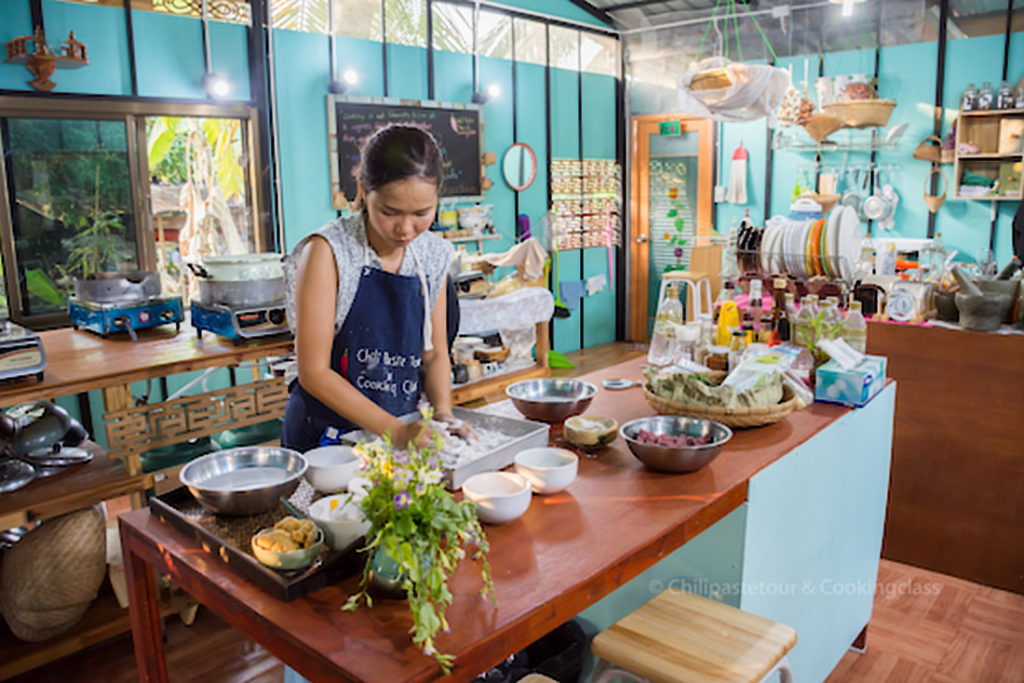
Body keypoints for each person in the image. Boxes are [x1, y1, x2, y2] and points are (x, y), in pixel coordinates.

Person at [281, 124, 458, 452]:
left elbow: (433, 353)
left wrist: (444, 416)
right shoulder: (328, 252)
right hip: (327, 437)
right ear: (363, 190)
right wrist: (399, 433)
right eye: (389, 213)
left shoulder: (433, 254)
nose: (406, 229)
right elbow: (314, 372)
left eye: (422, 213)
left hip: (398, 429)